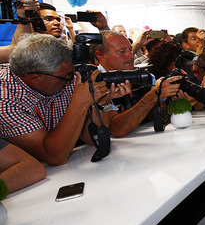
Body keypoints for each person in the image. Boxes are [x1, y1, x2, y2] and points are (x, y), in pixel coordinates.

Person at [0, 34, 120, 165]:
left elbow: (92, 138)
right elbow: (55, 157)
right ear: (35, 78)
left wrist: (102, 102)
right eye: (67, 75)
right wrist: (79, 102)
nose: (72, 79)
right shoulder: (5, 98)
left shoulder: (63, 76)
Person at [93, 30, 183, 137]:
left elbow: (161, 114)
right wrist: (154, 95)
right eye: (122, 51)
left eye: (131, 50)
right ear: (101, 56)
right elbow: (118, 129)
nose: (130, 56)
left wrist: (173, 100)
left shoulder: (146, 78)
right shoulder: (94, 83)